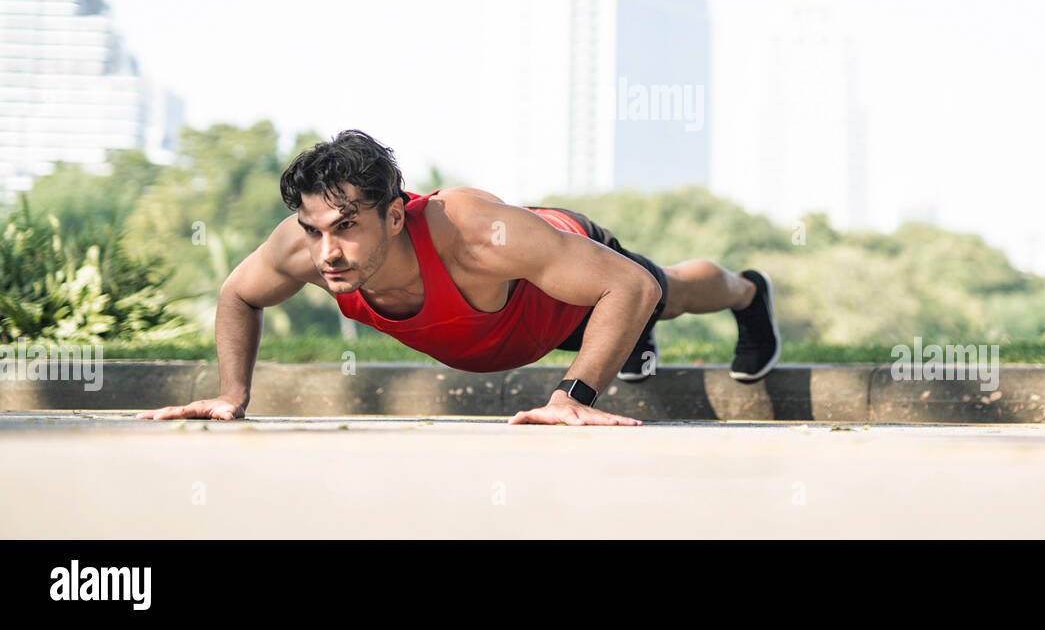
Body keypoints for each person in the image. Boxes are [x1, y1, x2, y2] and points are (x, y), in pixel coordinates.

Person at [136, 129, 780, 426]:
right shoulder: (308, 248)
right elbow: (238, 294)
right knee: (634, 308)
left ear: (395, 215)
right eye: (313, 229)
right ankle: (626, 340)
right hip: (515, 324)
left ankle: (749, 293)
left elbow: (627, 288)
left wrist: (571, 399)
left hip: (574, 279)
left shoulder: (471, 231)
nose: (326, 252)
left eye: (344, 227)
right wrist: (231, 394)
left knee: (664, 291)